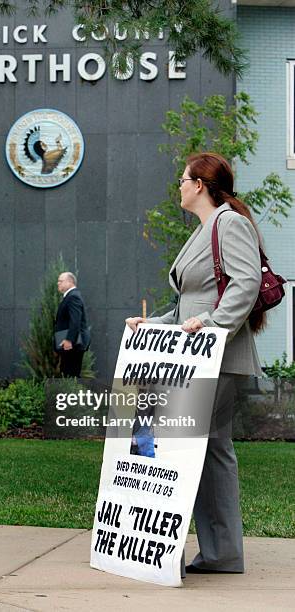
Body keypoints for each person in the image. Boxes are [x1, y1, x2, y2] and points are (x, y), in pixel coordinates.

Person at [126, 152, 264, 576]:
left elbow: (247, 282)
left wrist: (212, 326)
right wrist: (154, 324)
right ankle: (221, 552)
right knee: (206, 451)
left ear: (200, 185)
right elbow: (189, 304)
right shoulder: (206, 230)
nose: (179, 186)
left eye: (183, 180)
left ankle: (218, 552)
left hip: (216, 358)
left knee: (203, 449)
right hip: (199, 356)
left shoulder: (228, 223)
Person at [55, 271, 90, 377]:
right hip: (72, 344)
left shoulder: (73, 297)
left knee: (70, 374)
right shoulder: (70, 296)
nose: (58, 283)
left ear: (70, 282)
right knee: (68, 373)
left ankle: (71, 393)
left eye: (60, 281)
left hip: (72, 344)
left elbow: (75, 320)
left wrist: (69, 340)